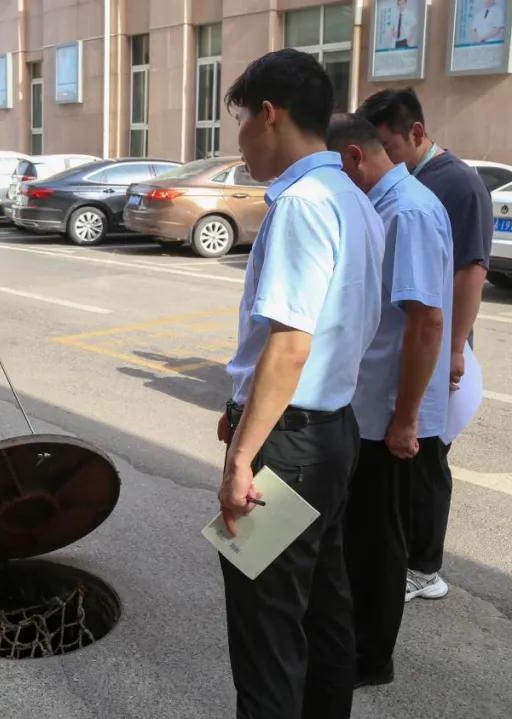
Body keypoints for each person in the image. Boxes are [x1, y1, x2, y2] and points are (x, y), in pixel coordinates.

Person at [215, 50, 385, 718]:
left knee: (267, 632)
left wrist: (241, 458)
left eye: (239, 119)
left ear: (269, 114)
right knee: (322, 607)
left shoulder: (302, 204)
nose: (239, 139)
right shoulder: (354, 198)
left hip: (287, 446)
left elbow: (289, 347)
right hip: (332, 432)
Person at [326, 114, 453, 688]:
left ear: (354, 157)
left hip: (387, 415)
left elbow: (427, 321)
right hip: (368, 407)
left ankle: (370, 659)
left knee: (378, 541)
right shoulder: (382, 205)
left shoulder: (408, 212)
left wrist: (405, 420)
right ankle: (351, 640)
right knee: (359, 535)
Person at [357, 88, 493, 603]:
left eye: (389, 146)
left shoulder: (455, 183)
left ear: (416, 133)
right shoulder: (406, 182)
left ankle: (424, 567)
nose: (384, 159)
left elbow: (471, 272)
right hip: (413, 342)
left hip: (439, 345)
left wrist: (456, 349)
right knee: (407, 465)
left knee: (426, 457)